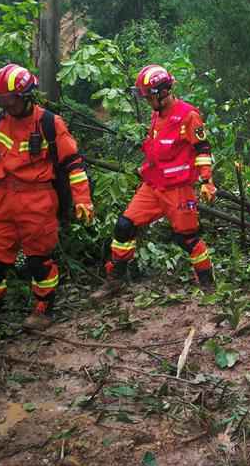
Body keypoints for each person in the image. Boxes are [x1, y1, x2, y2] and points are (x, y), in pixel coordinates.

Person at [0, 64, 94, 344]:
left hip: (38, 198)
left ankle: (43, 311)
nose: (5, 104)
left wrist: (83, 199)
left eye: (9, 99)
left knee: (38, 261)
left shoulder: (49, 123)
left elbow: (73, 164)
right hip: (3, 199)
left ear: (25, 95)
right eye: (0, 100)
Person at [91, 65, 216, 300]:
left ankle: (208, 284)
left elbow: (203, 149)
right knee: (124, 226)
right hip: (153, 186)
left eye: (148, 96)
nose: (147, 101)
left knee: (187, 239)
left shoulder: (188, 116)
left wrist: (207, 181)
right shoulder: (156, 115)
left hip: (178, 189)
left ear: (161, 92)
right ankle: (115, 279)